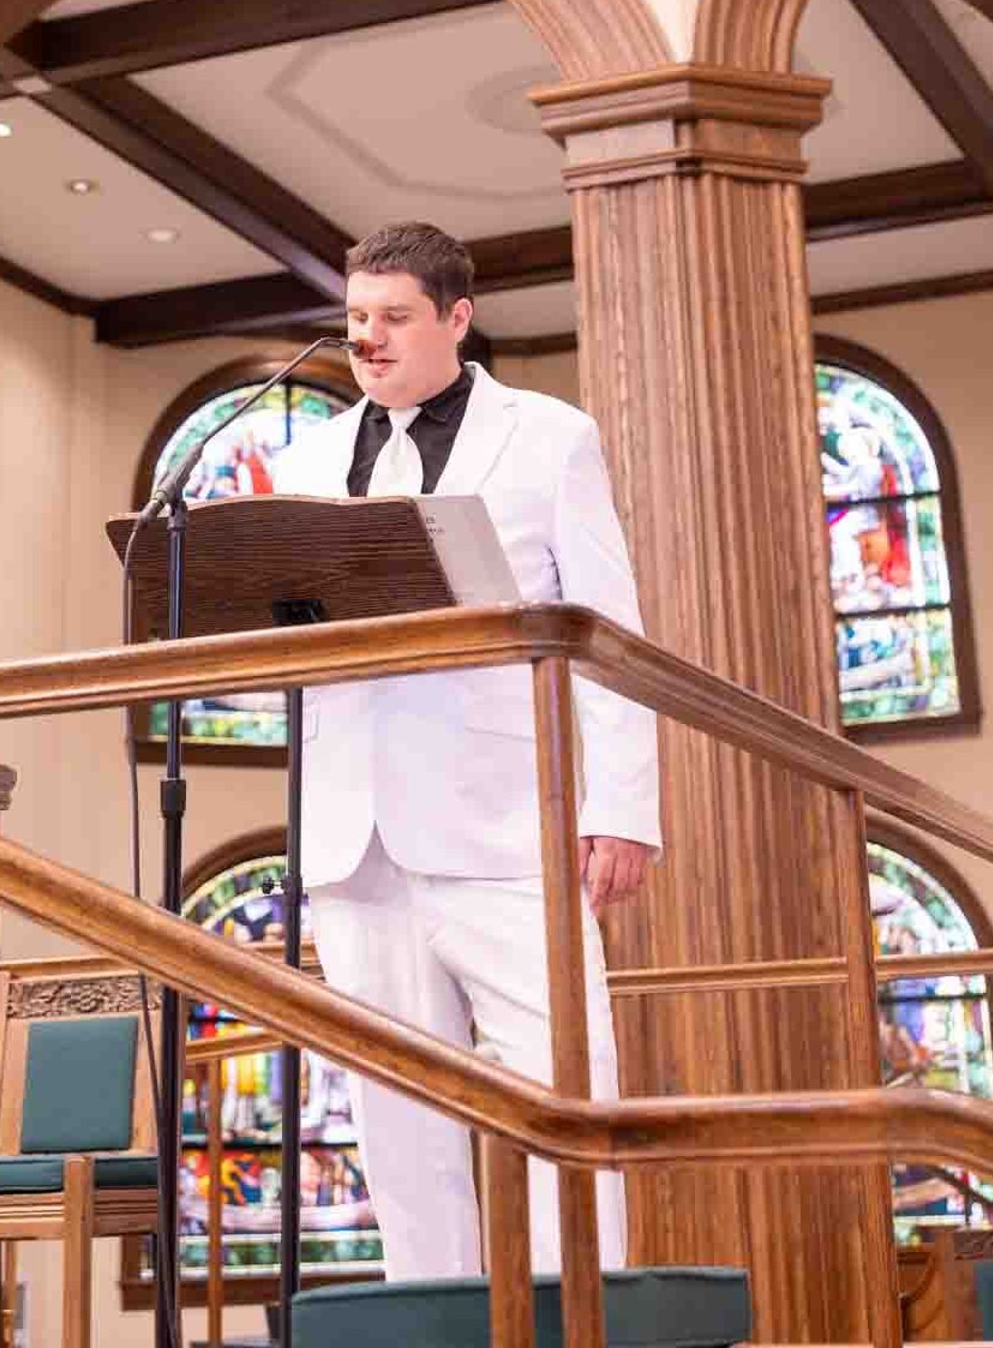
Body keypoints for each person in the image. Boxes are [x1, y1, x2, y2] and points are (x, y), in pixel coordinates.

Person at [269, 220, 660, 1279]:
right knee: (397, 1121)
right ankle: (429, 1322)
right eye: (355, 319)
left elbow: (604, 623)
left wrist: (621, 805)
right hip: (354, 835)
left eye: (394, 317)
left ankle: (578, 1315)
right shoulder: (302, 456)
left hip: (505, 823)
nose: (369, 338)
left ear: (456, 318)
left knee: (560, 1094)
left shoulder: (547, 436)